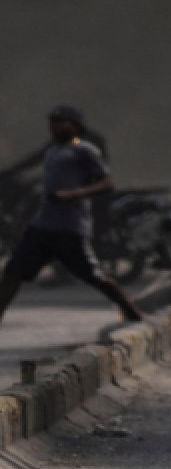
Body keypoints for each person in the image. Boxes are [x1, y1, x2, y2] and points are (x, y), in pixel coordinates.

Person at [0, 105, 144, 325]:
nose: (55, 126)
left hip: (70, 226)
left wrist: (74, 193)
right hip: (42, 224)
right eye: (53, 122)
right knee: (13, 272)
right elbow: (33, 161)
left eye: (61, 122)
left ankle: (131, 311)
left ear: (75, 125)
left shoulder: (84, 149)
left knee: (94, 276)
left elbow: (107, 183)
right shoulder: (53, 149)